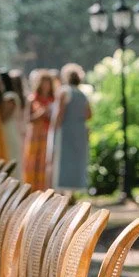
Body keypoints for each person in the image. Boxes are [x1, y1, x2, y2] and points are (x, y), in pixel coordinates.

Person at [52, 63, 93, 191]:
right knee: (76, 161)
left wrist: (53, 131)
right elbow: (89, 115)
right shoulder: (82, 94)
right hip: (79, 131)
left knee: (63, 160)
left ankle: (62, 191)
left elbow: (59, 114)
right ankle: (74, 192)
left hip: (66, 131)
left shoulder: (63, 91)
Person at [23, 69, 58, 191]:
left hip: (48, 134)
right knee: (33, 161)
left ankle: (44, 190)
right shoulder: (32, 99)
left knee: (45, 163)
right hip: (35, 135)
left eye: (48, 83)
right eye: (43, 82)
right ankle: (31, 189)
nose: (46, 85)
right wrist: (41, 113)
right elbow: (28, 119)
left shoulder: (54, 100)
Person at [1, 69, 25, 180]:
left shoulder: (10, 97)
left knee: (12, 159)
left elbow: (3, 117)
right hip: (6, 132)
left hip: (9, 132)